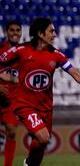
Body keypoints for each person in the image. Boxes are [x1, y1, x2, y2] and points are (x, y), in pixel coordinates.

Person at [0, 17, 80, 166]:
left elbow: (75, 73)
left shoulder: (56, 55)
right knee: (43, 137)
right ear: (40, 34)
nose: (55, 34)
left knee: (41, 144)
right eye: (51, 31)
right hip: (25, 105)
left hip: (46, 108)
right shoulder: (21, 50)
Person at [0, 21, 22, 166]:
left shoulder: (24, 53)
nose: (15, 33)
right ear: (6, 32)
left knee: (12, 133)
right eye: (12, 30)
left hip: (11, 100)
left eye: (17, 30)